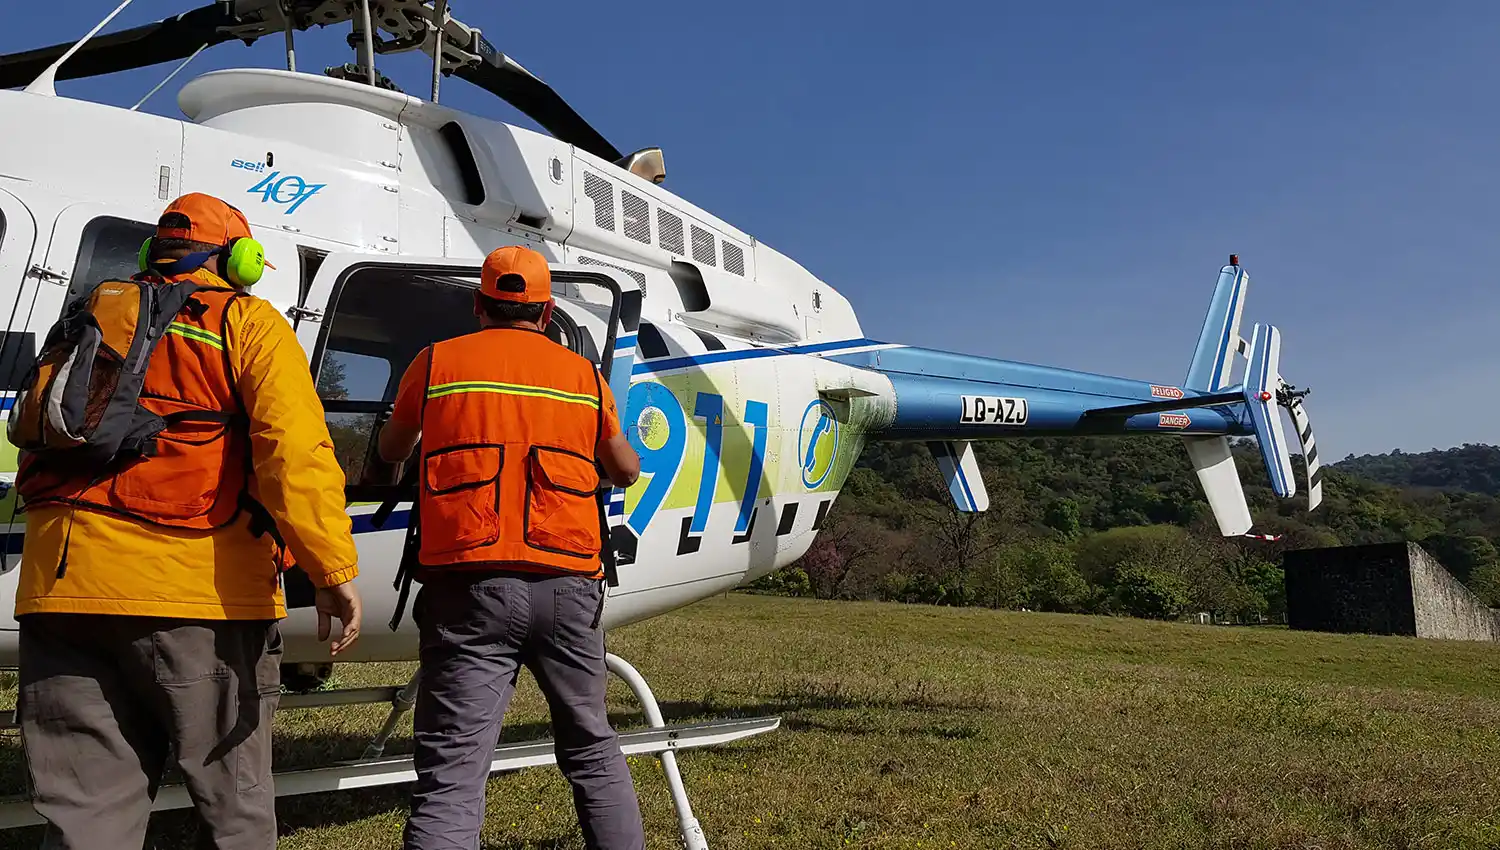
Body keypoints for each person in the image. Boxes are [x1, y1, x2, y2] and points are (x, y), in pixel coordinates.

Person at [11, 193, 363, 850]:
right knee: (234, 810)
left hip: (61, 598)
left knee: (87, 820)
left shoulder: (89, 317)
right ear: (243, 261)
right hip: (198, 598)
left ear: (152, 254)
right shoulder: (248, 324)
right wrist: (332, 569)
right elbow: (294, 453)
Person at [376, 244, 643, 850]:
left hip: (467, 588)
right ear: (547, 314)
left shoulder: (437, 361)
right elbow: (623, 469)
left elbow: (393, 450)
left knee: (451, 778)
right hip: (569, 590)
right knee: (592, 746)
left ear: (478, 305)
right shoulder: (584, 377)